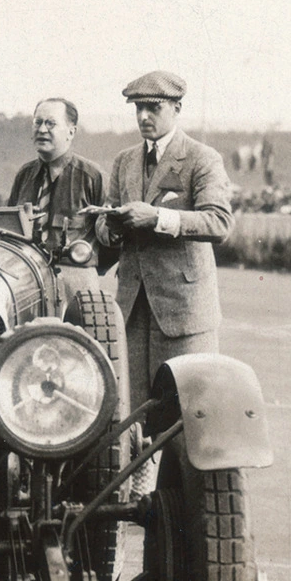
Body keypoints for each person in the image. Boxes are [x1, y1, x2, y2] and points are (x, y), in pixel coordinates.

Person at [95, 71, 234, 488]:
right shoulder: (123, 161)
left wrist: (159, 217)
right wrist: (112, 228)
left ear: (176, 109)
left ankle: (189, 495)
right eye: (138, 109)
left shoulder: (202, 158)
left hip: (184, 306)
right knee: (134, 405)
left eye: (153, 108)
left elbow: (219, 221)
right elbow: (105, 228)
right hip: (134, 305)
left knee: (189, 406)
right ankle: (140, 486)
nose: (144, 117)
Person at [6, 96, 104, 263]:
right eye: (38, 122)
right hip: (29, 276)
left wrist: (87, 264)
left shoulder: (92, 177)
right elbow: (8, 228)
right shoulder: (24, 175)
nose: (42, 130)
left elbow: (114, 237)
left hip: (75, 276)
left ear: (71, 132)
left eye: (51, 123)